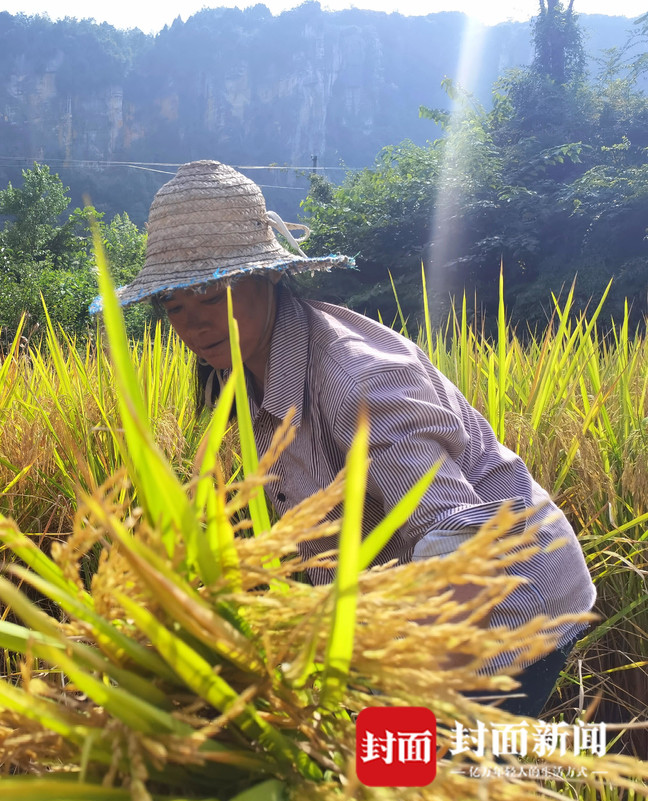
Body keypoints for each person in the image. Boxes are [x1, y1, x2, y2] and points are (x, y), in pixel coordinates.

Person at [97, 160, 596, 717]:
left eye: (213, 295)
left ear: (270, 276)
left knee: (423, 784)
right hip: (398, 603)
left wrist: (371, 668)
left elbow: (458, 534)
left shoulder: (353, 377)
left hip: (505, 604)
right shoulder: (237, 376)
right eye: (175, 306)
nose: (194, 326)